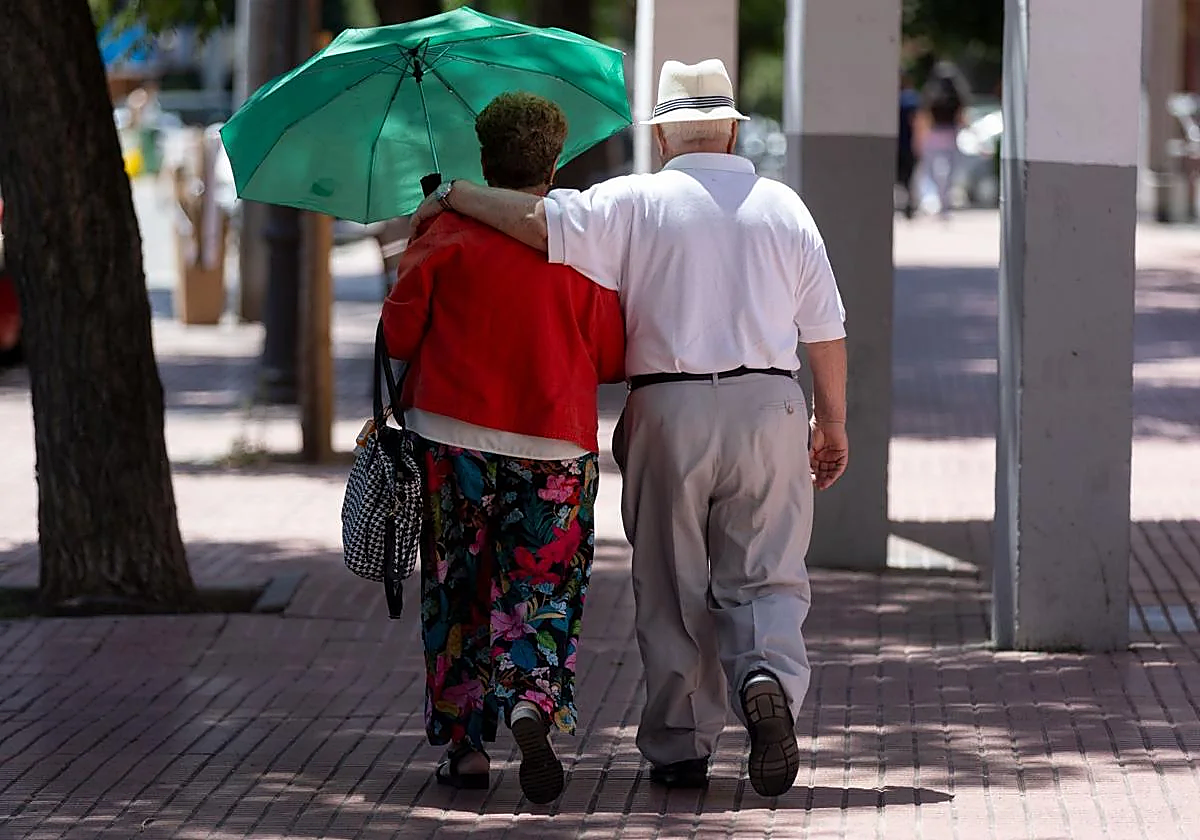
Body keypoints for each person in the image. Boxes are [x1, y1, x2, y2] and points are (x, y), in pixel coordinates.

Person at [411, 59, 849, 798]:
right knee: (767, 573)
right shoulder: (785, 207)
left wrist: (451, 193)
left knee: (671, 584)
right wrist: (830, 421)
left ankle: (680, 746)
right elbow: (826, 329)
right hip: (770, 404)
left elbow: (533, 219)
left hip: (668, 407)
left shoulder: (633, 201)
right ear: (735, 129)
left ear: (659, 136)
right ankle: (766, 674)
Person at [382, 92, 626, 805]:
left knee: (458, 591)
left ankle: (464, 748)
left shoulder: (444, 236)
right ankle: (531, 700)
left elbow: (398, 339)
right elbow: (610, 356)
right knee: (542, 589)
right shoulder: (582, 247)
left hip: (451, 443)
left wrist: (414, 241)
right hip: (554, 445)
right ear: (552, 164)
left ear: (483, 161)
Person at [917, 60, 970, 218]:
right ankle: (944, 204)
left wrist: (921, 136)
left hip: (934, 135)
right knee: (949, 172)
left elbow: (925, 116)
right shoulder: (958, 95)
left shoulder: (931, 92)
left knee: (930, 171)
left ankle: (931, 200)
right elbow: (962, 117)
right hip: (950, 135)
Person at [897, 72, 921, 219]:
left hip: (898, 145)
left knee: (902, 178)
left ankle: (907, 204)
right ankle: (909, 204)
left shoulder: (898, 98)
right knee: (909, 178)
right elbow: (917, 122)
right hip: (908, 145)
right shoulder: (911, 99)